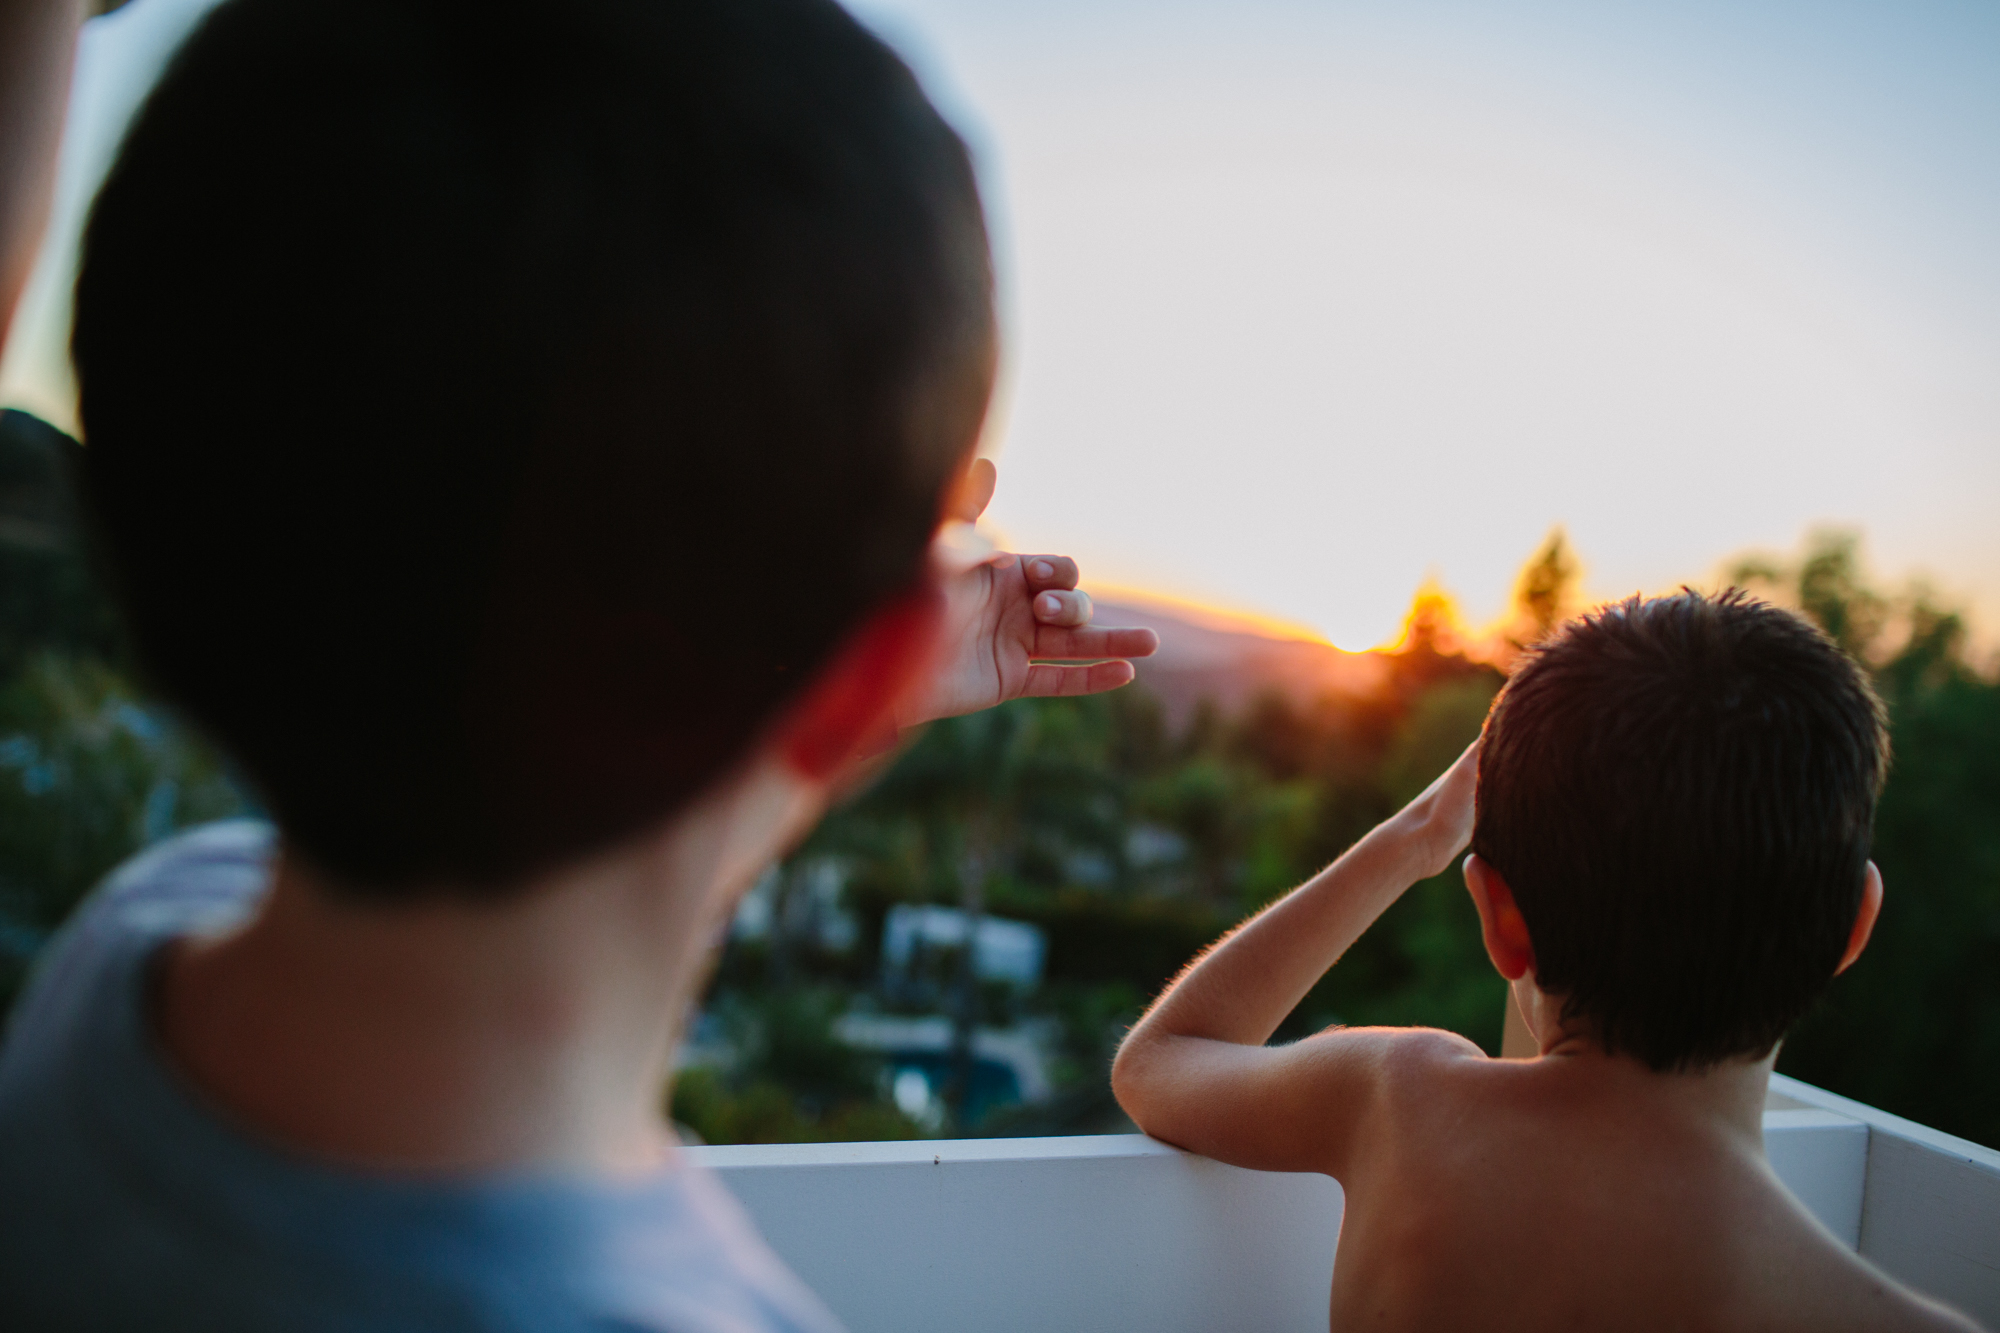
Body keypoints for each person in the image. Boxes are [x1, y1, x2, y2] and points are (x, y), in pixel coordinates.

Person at [0, 0, 1155, 1326]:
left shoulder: (140, 955)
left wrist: (849, 666)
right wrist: (830, 672)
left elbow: (559, 879)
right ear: (863, 683)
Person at [1113, 589, 1986, 1332]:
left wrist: (1414, 840)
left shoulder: (1401, 1105)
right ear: (1852, 929)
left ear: (1501, 925)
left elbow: (1160, 1059)